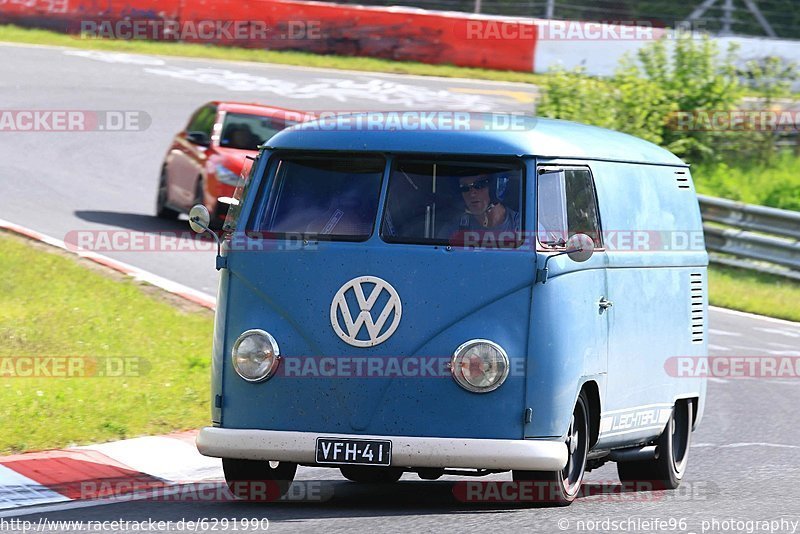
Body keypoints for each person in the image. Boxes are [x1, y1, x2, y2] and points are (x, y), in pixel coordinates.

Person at [438, 174, 521, 243]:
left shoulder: (520, 225)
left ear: (495, 188)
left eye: (479, 185)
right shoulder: (453, 229)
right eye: (464, 188)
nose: (472, 194)